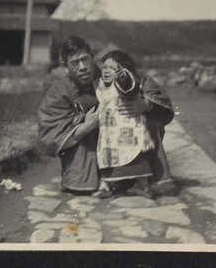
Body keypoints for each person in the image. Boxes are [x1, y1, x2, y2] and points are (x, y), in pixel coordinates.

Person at [37, 36, 174, 194]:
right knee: (83, 184)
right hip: (88, 142)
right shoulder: (59, 91)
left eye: (85, 59)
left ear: (93, 58)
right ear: (65, 66)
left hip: (124, 135)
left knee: (148, 119)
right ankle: (107, 180)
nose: (82, 67)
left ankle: (138, 177)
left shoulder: (110, 70)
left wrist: (145, 104)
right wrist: (86, 126)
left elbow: (145, 83)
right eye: (75, 63)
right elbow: (49, 132)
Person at [94, 50, 157, 199]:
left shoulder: (124, 83)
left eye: (113, 68)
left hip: (129, 129)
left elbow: (130, 87)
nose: (107, 71)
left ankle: (143, 186)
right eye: (104, 67)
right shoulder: (101, 87)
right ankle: (107, 184)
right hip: (110, 134)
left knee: (138, 159)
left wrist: (123, 77)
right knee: (109, 160)